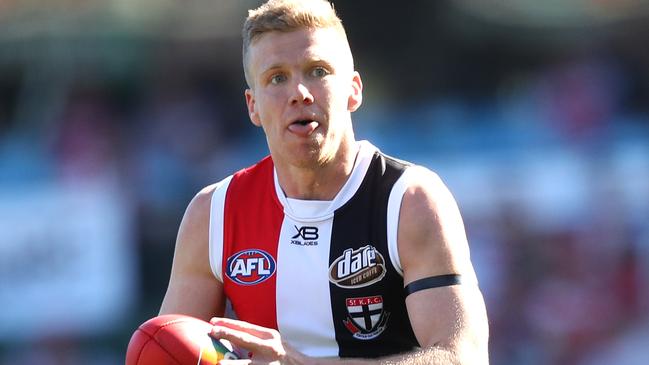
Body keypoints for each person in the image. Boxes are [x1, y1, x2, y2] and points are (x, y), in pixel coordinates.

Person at [159, 0, 489, 363]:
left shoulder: (409, 200)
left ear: (353, 90)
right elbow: (171, 347)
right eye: (277, 78)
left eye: (317, 71)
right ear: (253, 106)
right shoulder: (213, 215)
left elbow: (462, 356)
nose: (299, 93)